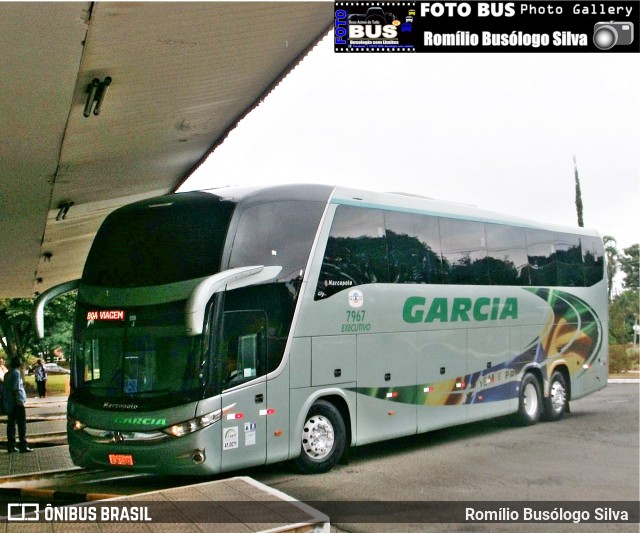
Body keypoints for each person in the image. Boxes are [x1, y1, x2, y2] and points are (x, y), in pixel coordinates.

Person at [3, 357, 32, 453]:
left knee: (11, 424)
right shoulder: (16, 373)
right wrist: (18, 401)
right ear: (19, 364)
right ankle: (23, 445)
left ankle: (11, 445)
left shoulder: (7, 374)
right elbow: (16, 389)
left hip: (9, 403)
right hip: (17, 402)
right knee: (21, 424)